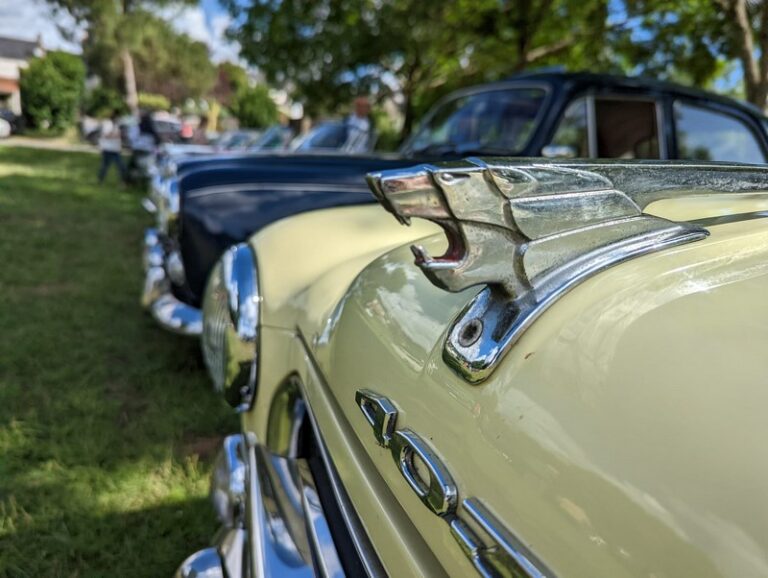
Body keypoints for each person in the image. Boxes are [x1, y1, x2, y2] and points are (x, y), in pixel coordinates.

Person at [97, 112, 126, 184]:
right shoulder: (107, 124)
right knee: (105, 166)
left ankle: (123, 182)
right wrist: (116, 134)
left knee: (121, 166)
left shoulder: (117, 125)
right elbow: (106, 135)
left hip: (115, 149)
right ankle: (100, 180)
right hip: (107, 149)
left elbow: (120, 137)